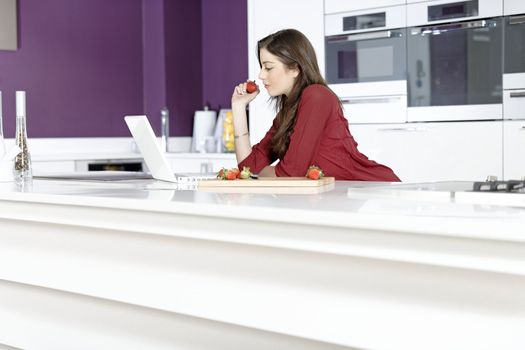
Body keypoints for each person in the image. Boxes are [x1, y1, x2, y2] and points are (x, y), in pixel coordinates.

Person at [231, 29, 400, 182]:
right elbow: (249, 167)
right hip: (336, 197)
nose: (261, 75)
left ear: (295, 69)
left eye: (268, 67)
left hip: (371, 190)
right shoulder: (287, 114)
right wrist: (239, 108)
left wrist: (257, 175)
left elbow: (291, 173)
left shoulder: (317, 96)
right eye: (262, 67)